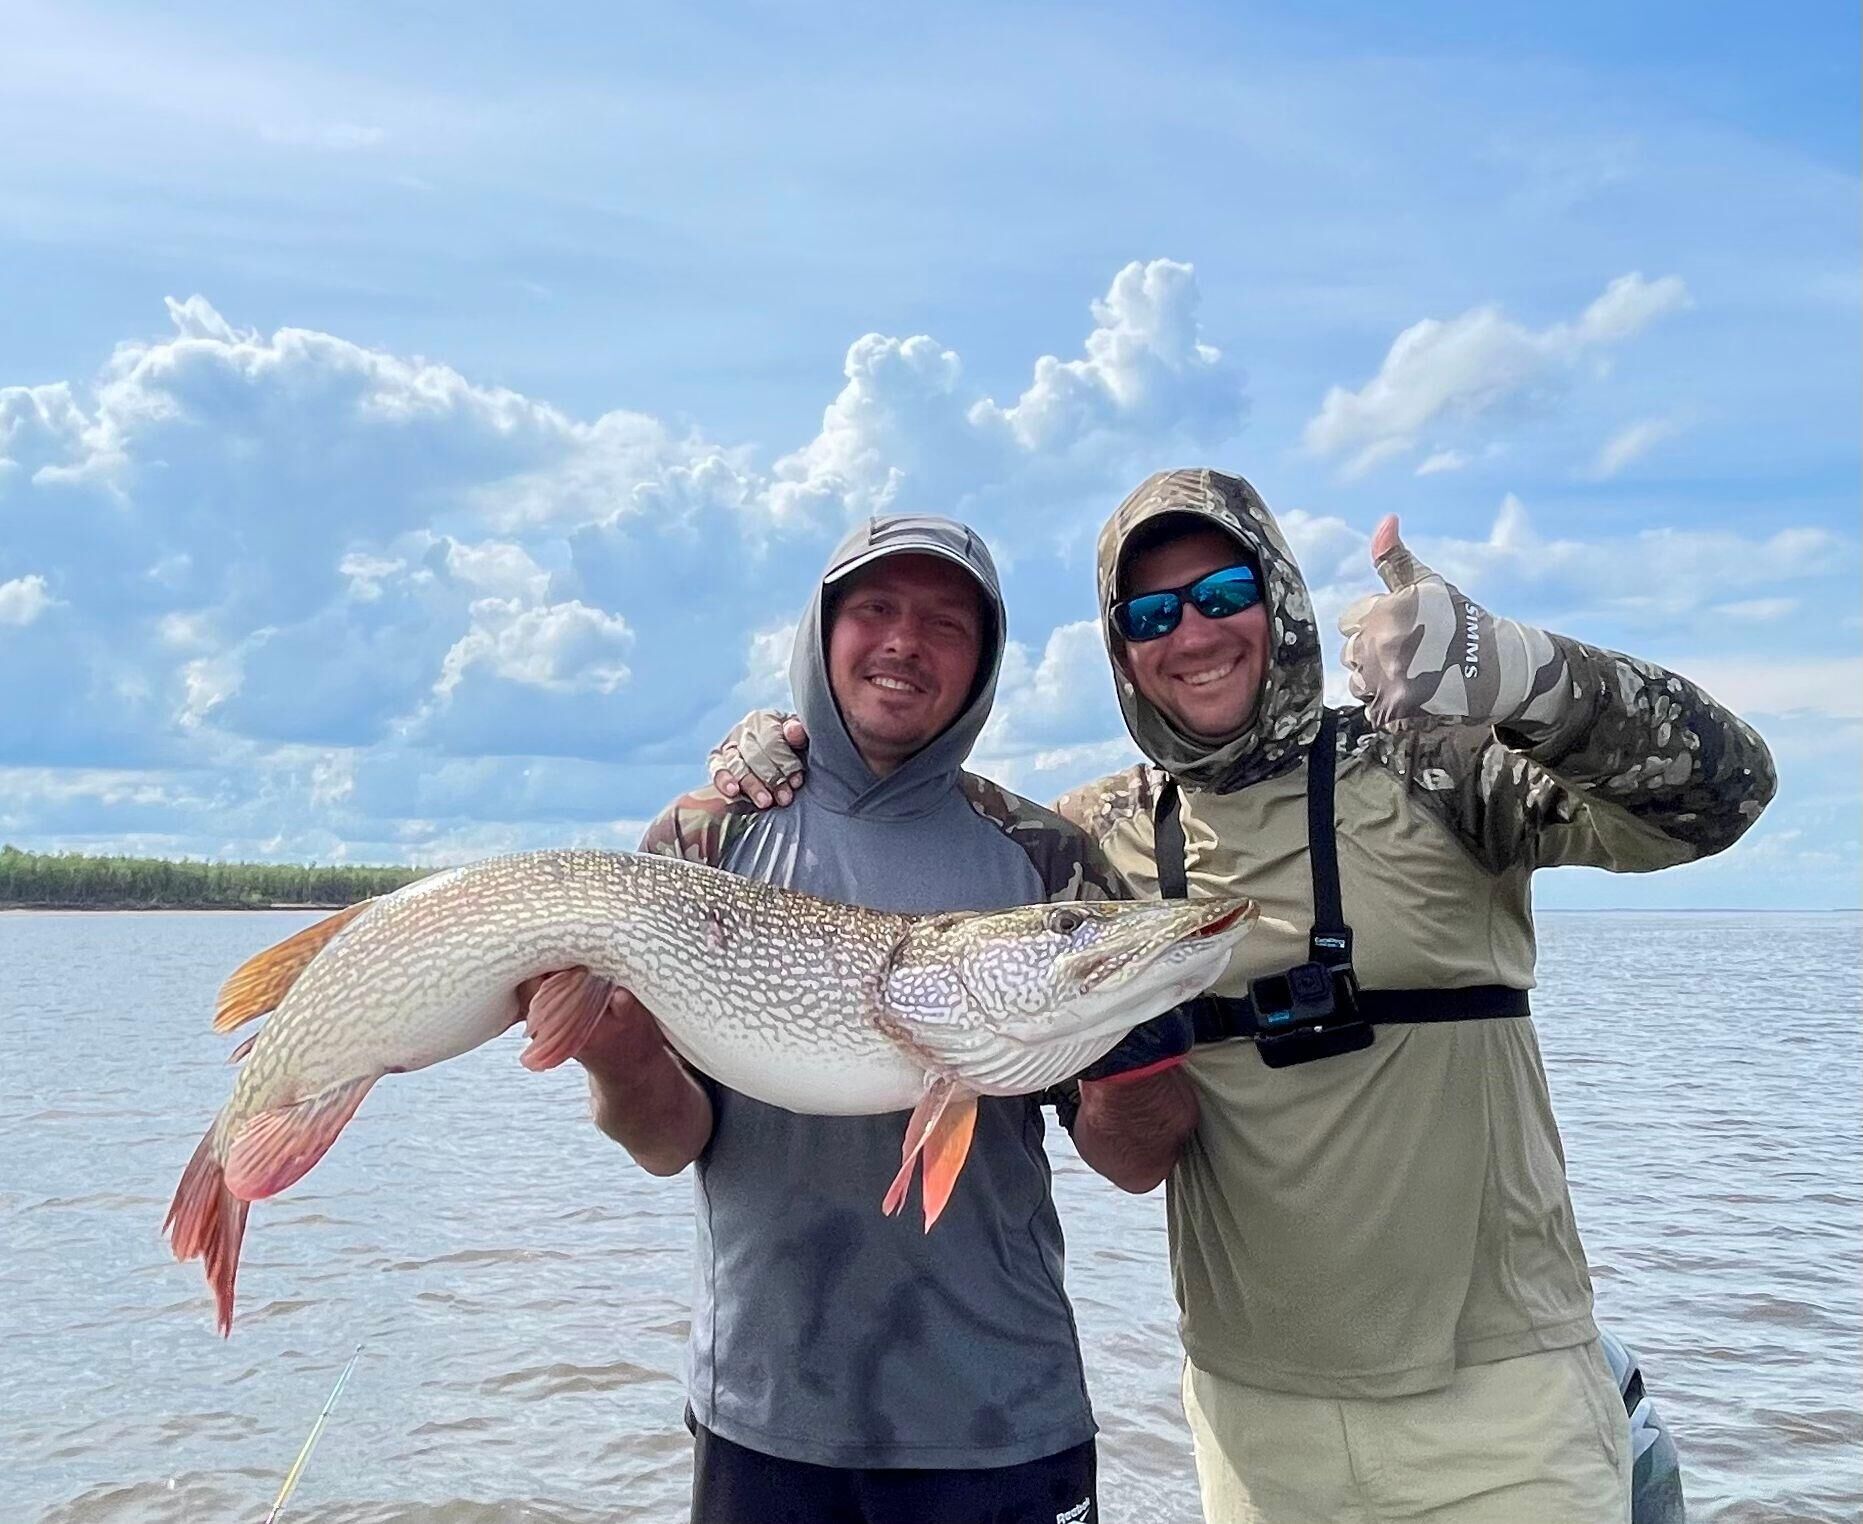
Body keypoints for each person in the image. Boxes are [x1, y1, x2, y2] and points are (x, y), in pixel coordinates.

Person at [711, 467, 1774, 1523]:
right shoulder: (1097, 843)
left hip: (1500, 1401)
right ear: (1122, 647)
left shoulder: (1431, 767)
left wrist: (1529, 678)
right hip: (1252, 1419)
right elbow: (930, 837)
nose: (1193, 634)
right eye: (1151, 612)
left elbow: (1721, 795)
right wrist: (791, 747)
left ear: (1280, 598)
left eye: (1224, 595)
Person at [537, 513, 1141, 1524]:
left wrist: (1147, 1039)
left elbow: (1136, 1158)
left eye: (948, 623)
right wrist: (615, 1053)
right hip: (766, 1416)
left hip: (1005, 1414)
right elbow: (666, 1139)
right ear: (821, 633)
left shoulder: (1047, 860)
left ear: (986, 664)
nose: (906, 640)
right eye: (874, 608)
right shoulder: (707, 835)